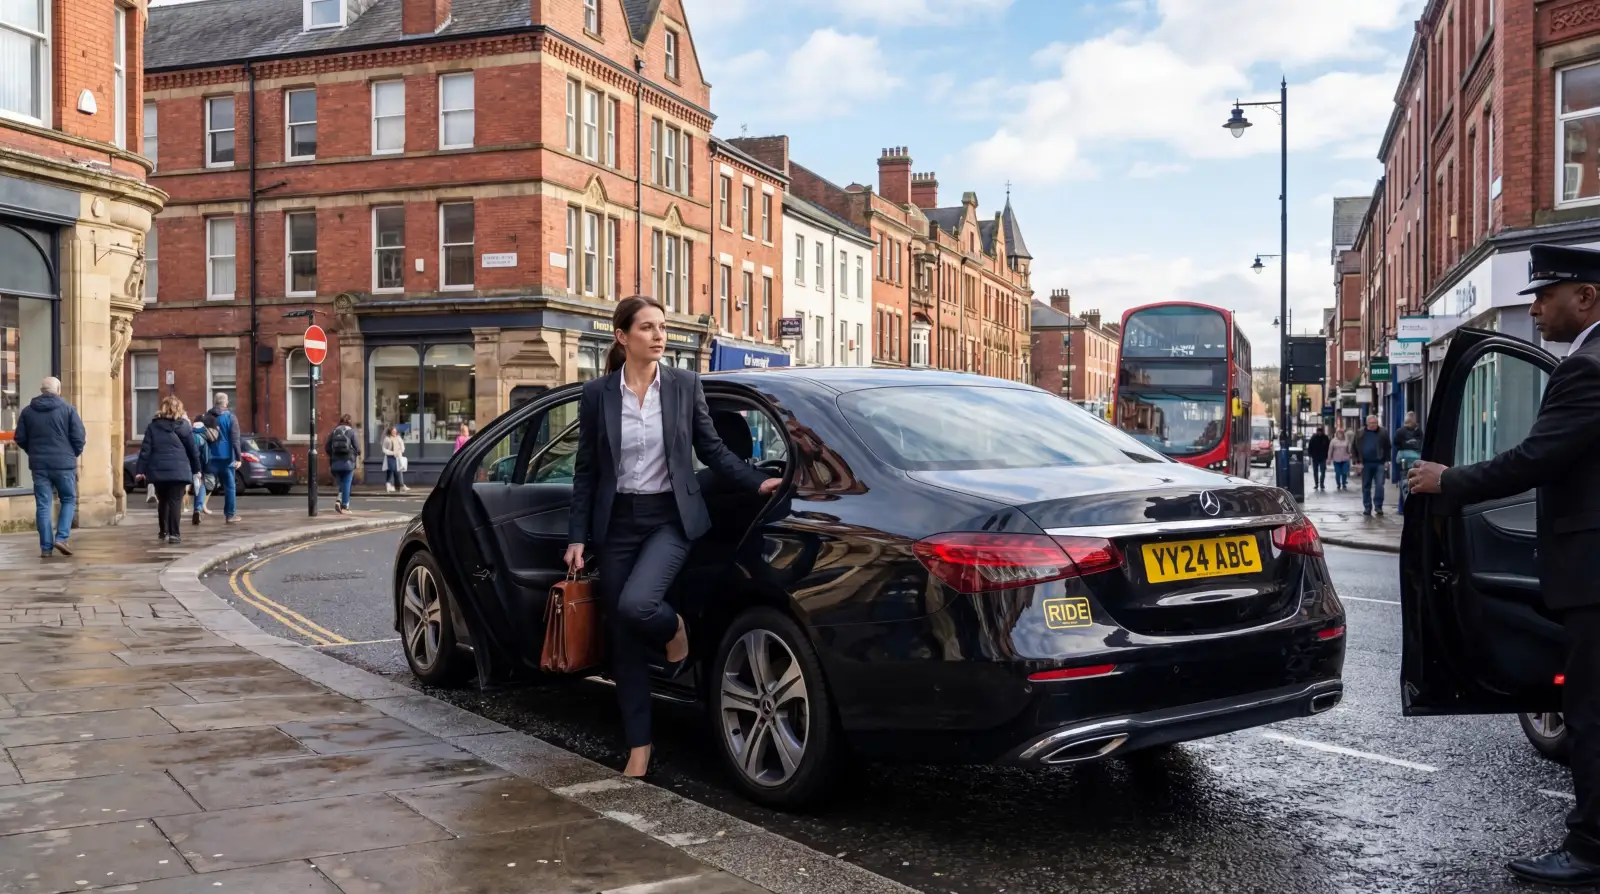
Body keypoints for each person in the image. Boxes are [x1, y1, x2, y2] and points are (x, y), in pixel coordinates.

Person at [1408, 243, 1600, 887]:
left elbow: (1533, 459)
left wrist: (1448, 479)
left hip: (1593, 573)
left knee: (1591, 712)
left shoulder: (1588, 369)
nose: (1536, 309)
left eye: (1546, 297)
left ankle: (1591, 848)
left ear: (1587, 298)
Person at [564, 296, 782, 779]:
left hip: (671, 518)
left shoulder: (684, 386)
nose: (659, 336)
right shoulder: (598, 394)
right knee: (622, 638)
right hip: (617, 522)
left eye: (662, 327)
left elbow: (713, 449)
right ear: (622, 337)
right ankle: (639, 746)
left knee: (637, 605)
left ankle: (674, 628)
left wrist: (754, 480)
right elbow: (586, 472)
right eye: (647, 328)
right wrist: (577, 536)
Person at [13, 377, 85, 558]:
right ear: (58, 390)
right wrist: (71, 454)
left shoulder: (28, 412)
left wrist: (34, 452)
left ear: (41, 390)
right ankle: (61, 537)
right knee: (68, 499)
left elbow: (20, 438)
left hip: (39, 465)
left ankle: (46, 547)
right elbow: (79, 438)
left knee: (43, 505)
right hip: (64, 464)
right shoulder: (69, 410)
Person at [135, 396, 203, 545]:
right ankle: (175, 534)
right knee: (175, 501)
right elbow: (193, 451)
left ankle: (163, 531)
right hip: (179, 471)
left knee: (163, 501)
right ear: (179, 409)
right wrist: (197, 470)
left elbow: (145, 450)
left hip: (158, 471)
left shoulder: (153, 426)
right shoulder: (185, 426)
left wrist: (140, 470)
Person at [201, 393, 243, 524]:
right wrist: (238, 458)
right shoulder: (231, 417)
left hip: (209, 456)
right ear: (226, 403)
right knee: (230, 487)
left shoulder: (206, 417)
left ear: (214, 402)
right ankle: (230, 515)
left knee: (204, 484)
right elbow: (235, 440)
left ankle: (197, 509)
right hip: (226, 458)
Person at [1355, 414, 1390, 515]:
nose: (1373, 425)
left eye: (1375, 423)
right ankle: (1367, 507)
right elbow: (1355, 447)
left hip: (1379, 462)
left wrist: (1387, 460)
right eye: (1371, 423)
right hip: (1365, 463)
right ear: (1366, 423)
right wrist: (1357, 462)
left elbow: (1388, 447)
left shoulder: (1383, 432)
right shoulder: (1360, 433)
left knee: (1380, 485)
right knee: (1366, 486)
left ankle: (1378, 506)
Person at [326, 414, 361, 513]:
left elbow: (327, 447)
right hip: (348, 462)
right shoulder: (351, 432)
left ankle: (339, 500)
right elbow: (358, 448)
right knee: (347, 483)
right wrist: (356, 454)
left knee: (342, 483)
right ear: (350, 422)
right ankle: (345, 506)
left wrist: (333, 455)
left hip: (335, 462)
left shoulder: (334, 431)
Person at [1393, 411, 1424, 511]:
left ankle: (1404, 507)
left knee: (1406, 484)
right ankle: (1406, 507)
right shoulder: (1401, 432)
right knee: (1406, 484)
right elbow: (1396, 445)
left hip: (1410, 461)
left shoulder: (1418, 431)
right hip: (1406, 462)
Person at [381, 425, 409, 493]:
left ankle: (398, 487)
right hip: (390, 457)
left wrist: (401, 450)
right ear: (390, 432)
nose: (394, 433)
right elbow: (384, 449)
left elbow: (402, 445)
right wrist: (391, 453)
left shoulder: (398, 438)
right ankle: (389, 485)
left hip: (398, 456)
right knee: (391, 470)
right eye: (393, 431)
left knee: (398, 472)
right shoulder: (387, 439)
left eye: (395, 431)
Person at [1306, 426, 1331, 492]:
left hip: (1323, 457)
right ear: (1317, 431)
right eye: (1318, 431)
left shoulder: (1325, 438)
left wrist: (1327, 456)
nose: (1319, 432)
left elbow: (1328, 447)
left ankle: (1321, 484)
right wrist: (1310, 455)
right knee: (1315, 472)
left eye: (1320, 431)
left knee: (1322, 471)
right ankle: (1316, 484)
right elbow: (1310, 447)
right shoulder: (1313, 438)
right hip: (1315, 457)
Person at [1329, 424, 1353, 491]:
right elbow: (1330, 450)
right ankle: (1338, 484)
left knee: (1344, 472)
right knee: (1338, 472)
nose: (1340, 435)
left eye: (1341, 433)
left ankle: (1344, 483)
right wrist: (1329, 458)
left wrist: (1350, 447)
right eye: (1339, 433)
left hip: (1345, 458)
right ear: (1336, 434)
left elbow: (1349, 450)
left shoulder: (1346, 440)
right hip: (1336, 459)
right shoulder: (1333, 441)